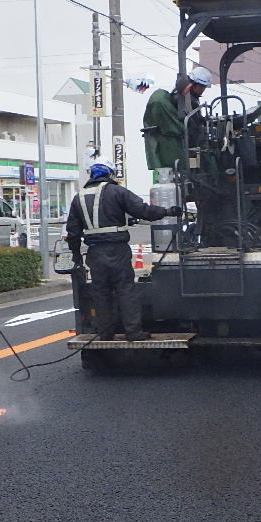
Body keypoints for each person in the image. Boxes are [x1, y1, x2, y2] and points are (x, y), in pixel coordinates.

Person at [66, 160, 176, 341]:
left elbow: (73, 232)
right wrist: (168, 211)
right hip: (116, 250)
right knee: (125, 289)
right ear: (109, 174)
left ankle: (105, 333)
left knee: (100, 292)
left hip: (94, 253)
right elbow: (143, 210)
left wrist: (76, 255)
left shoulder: (78, 198)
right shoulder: (117, 192)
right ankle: (133, 332)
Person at [141, 66, 212, 176]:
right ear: (195, 85)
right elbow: (192, 128)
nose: (203, 90)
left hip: (187, 147)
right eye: (203, 87)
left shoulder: (186, 99)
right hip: (186, 150)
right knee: (212, 161)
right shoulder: (185, 100)